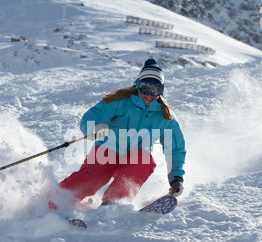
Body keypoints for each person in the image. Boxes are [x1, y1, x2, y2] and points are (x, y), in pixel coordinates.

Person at [54, 58, 186, 209]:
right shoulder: (120, 101)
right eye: (145, 88)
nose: (149, 94)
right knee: (93, 179)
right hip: (107, 151)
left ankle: (113, 203)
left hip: (136, 159)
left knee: (144, 160)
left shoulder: (165, 117)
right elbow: (90, 118)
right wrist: (94, 129)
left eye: (156, 90)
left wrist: (176, 178)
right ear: (137, 85)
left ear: (161, 91)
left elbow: (175, 148)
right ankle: (54, 200)